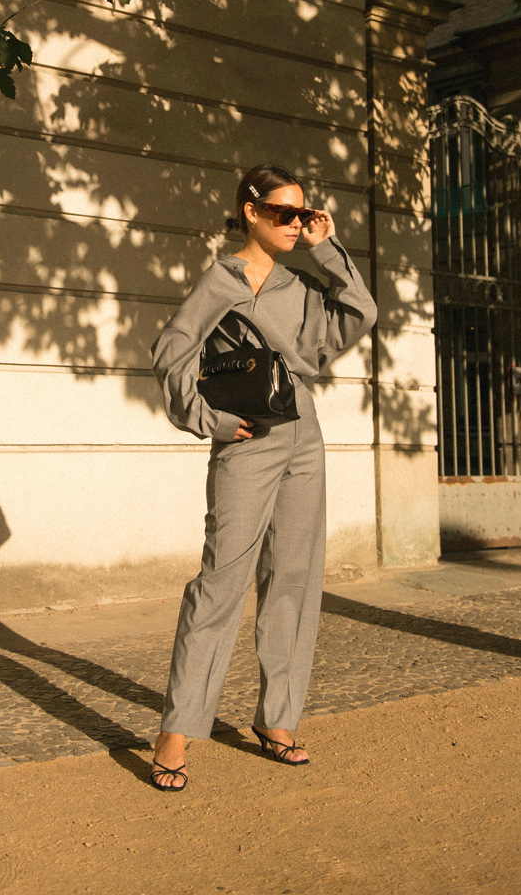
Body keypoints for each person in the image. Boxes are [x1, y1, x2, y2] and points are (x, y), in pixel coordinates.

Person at [149, 163, 377, 791]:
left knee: (296, 577)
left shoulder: (301, 285)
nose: (295, 224)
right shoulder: (217, 282)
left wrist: (325, 249)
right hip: (247, 439)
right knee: (221, 580)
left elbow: (359, 312)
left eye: (304, 214)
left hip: (303, 433)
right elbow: (171, 355)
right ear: (251, 211)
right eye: (285, 213)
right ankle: (177, 729)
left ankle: (277, 718)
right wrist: (209, 420)